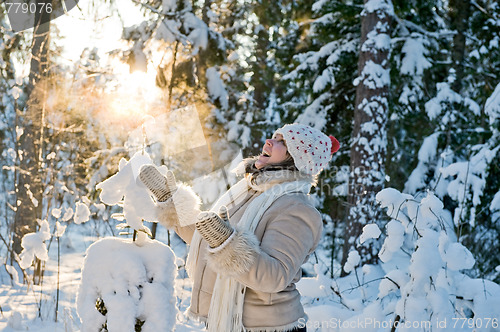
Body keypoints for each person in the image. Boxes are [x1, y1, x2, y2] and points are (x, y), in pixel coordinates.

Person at [139, 123, 340, 332]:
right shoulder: (251, 193)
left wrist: (226, 243)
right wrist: (172, 201)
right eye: (274, 137)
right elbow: (206, 238)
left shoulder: (297, 208)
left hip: (268, 327)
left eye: (283, 142)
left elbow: (274, 276)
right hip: (227, 321)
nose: (269, 141)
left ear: (297, 159)